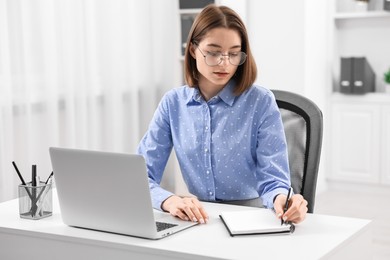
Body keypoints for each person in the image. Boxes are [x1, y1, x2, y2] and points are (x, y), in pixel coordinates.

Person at [137, 4, 308, 225]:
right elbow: (141, 176)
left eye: (234, 54)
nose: (224, 63)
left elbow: (274, 179)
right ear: (192, 50)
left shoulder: (261, 102)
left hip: (254, 218)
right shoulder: (173, 103)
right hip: (200, 217)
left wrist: (282, 199)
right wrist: (169, 200)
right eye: (213, 52)